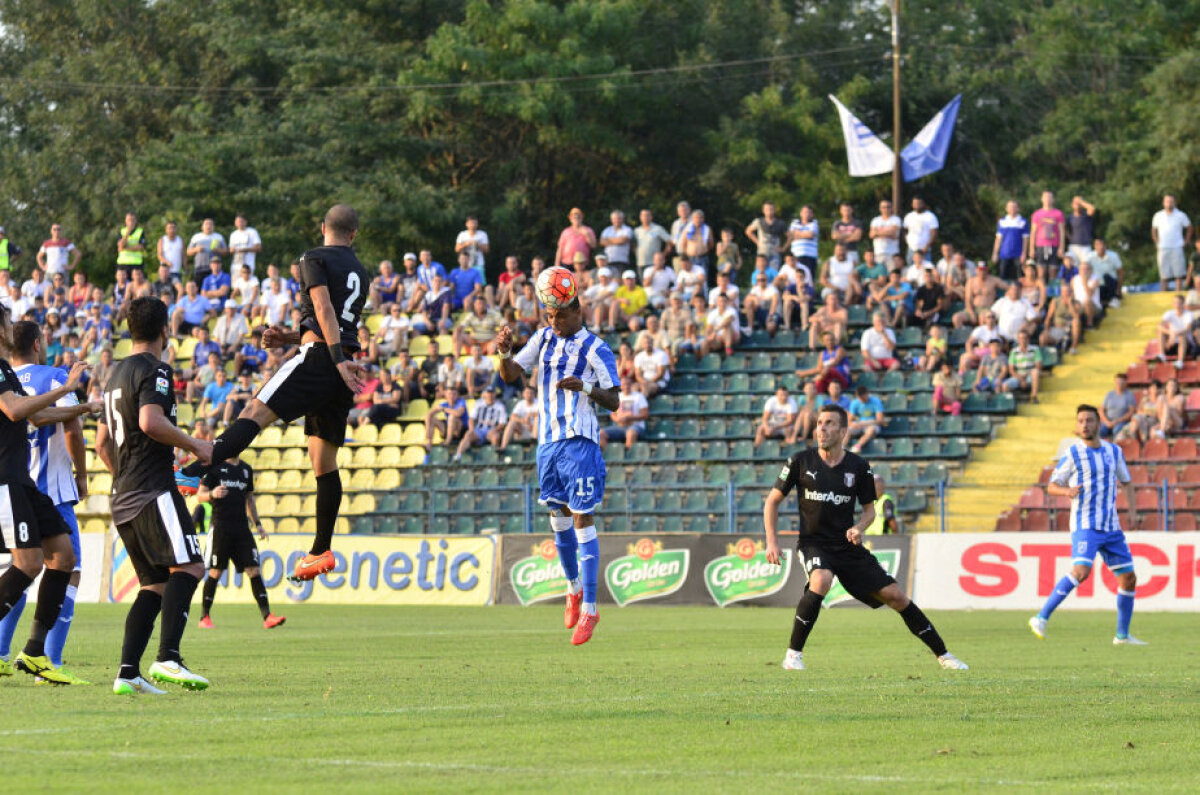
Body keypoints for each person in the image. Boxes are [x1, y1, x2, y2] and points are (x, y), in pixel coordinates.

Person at [180, 204, 367, 584]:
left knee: (255, 410)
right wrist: (290, 337)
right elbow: (337, 322)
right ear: (354, 235)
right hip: (342, 364)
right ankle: (320, 551)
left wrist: (328, 356)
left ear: (322, 227)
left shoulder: (312, 257)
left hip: (321, 359)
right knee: (323, 461)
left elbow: (323, 307)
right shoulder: (361, 272)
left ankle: (196, 468)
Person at [764, 405, 968, 671]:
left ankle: (944, 655)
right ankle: (793, 655)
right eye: (819, 423)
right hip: (814, 543)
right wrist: (771, 541)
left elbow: (870, 511)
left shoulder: (858, 467)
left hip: (847, 546)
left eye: (828, 423)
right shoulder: (800, 461)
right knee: (821, 579)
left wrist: (859, 527)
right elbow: (772, 502)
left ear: (844, 431)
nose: (821, 429)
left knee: (895, 596)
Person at [94, 297, 213, 694]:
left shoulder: (114, 374)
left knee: (154, 585)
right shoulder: (155, 369)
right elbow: (149, 421)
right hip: (151, 489)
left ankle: (128, 672)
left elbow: (102, 444)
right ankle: (168, 657)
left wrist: (125, 476)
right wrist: (194, 444)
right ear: (166, 330)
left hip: (123, 496)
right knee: (192, 566)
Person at [496, 294, 620, 646]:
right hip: (547, 443)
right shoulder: (543, 338)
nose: (554, 322)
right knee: (558, 517)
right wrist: (504, 352)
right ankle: (574, 588)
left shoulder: (596, 347)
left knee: (582, 517)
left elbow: (614, 400)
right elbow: (510, 375)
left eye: (559, 316)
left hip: (579, 440)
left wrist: (586, 386)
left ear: (577, 311)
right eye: (549, 316)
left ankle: (592, 608)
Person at [0, 321, 96, 684]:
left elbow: (35, 415)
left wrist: (81, 405)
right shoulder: (18, 372)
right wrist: (68, 389)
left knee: (63, 557)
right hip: (15, 481)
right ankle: (41, 656)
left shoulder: (9, 371)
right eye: (5, 322)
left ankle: (35, 653)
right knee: (28, 566)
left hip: (25, 482)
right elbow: (15, 412)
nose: (10, 328)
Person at [1029, 405, 1144, 645]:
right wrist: (1066, 490)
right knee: (1081, 572)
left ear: (1098, 423)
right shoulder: (1073, 454)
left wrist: (1132, 512)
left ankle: (1122, 635)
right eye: (1080, 420)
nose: (1084, 425)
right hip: (1086, 525)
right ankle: (1041, 617)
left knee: (1129, 578)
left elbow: (1127, 482)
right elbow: (1051, 485)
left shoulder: (1114, 452)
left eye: (1089, 420)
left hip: (1111, 527)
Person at [196, 455, 284, 630]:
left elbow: (249, 499)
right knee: (216, 571)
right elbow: (200, 495)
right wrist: (212, 493)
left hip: (242, 528)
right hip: (221, 527)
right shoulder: (215, 468)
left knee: (254, 569)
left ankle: (267, 616)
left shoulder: (246, 470)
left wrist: (258, 524)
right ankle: (204, 617)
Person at [454, 386, 507, 462]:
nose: (490, 395)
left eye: (492, 393)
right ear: (485, 394)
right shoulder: (478, 404)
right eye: (488, 393)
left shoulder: (500, 406)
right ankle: (458, 455)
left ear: (495, 394)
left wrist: (495, 429)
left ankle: (495, 458)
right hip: (479, 430)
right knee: (468, 435)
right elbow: (471, 419)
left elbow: (502, 423)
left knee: (496, 436)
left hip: (492, 429)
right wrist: (471, 429)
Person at [1151, 194, 1192, 292]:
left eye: (1171, 201)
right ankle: (1163, 294)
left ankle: (1179, 294)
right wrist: (1156, 242)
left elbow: (1189, 228)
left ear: (1175, 202)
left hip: (1177, 247)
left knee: (1178, 274)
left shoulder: (1181, 215)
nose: (1169, 203)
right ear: (1163, 203)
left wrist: (1186, 241)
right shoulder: (1158, 215)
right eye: (1167, 201)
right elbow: (1154, 230)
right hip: (1163, 247)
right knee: (1163, 274)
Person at [1030, 191, 1065, 283]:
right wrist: (1031, 249)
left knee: (1052, 272)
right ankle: (1042, 294)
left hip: (1053, 246)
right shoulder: (1037, 214)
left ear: (1053, 200)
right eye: (1045, 197)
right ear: (1042, 199)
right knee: (1041, 273)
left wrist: (1061, 247)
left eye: (1050, 197)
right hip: (1041, 246)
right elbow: (1033, 232)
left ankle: (1052, 295)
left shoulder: (1058, 214)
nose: (1047, 199)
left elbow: (1062, 232)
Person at [991, 200, 1030, 281]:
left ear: (1018, 209)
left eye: (1014, 207)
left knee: (1020, 277)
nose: (1012, 209)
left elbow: (1026, 239)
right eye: (1010, 207)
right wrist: (995, 253)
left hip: (1018, 254)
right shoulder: (1002, 222)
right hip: (1004, 254)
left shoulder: (1023, 221)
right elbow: (998, 239)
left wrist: (1024, 253)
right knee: (1003, 276)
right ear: (1006, 208)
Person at [1003, 330, 1043, 402]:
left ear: (1028, 339)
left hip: (1030, 375)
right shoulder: (1014, 351)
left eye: (1024, 338)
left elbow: (1038, 366)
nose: (1023, 340)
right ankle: (1013, 403)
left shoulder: (1035, 349)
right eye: (1021, 338)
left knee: (1035, 372)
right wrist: (1021, 379)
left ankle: (1034, 397)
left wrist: (1026, 375)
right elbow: (1011, 370)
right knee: (1005, 386)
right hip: (1018, 376)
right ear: (1018, 340)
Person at [1157, 293, 1194, 370]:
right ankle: (1162, 354)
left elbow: (1187, 329)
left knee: (1182, 336)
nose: (1177, 305)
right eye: (1175, 302)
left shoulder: (1189, 314)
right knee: (1161, 332)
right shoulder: (1169, 313)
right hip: (1172, 343)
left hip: (1186, 345)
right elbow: (1159, 325)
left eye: (1179, 303)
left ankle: (1180, 361)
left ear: (1183, 304)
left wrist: (1174, 335)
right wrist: (1171, 333)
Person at [745, 202, 787, 270]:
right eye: (767, 209)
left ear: (774, 210)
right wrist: (757, 242)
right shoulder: (759, 221)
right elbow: (748, 231)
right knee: (759, 273)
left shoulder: (780, 223)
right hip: (762, 252)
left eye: (771, 209)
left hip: (775, 252)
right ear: (763, 210)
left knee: (773, 274)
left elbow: (790, 236)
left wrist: (784, 248)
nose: (769, 211)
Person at [902, 196, 939, 264]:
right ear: (912, 204)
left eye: (919, 203)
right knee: (911, 269)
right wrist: (908, 242)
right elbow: (904, 231)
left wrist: (927, 246)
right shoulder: (908, 216)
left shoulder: (930, 216)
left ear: (923, 204)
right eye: (915, 203)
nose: (917, 205)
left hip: (925, 250)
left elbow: (934, 233)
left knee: (926, 269)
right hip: (911, 249)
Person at [1099, 373, 1137, 439]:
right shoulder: (1109, 394)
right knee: (1100, 431)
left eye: (1122, 382)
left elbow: (1131, 412)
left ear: (1125, 383)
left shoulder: (1129, 395)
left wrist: (1117, 421)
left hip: (1121, 422)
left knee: (1116, 430)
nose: (1119, 384)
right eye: (1117, 382)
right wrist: (1106, 421)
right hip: (1108, 421)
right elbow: (1101, 409)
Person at [1065, 195, 1096, 267]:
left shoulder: (1086, 215)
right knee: (1073, 268)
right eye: (1076, 203)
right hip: (1073, 246)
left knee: (1086, 267)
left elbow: (1092, 209)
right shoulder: (1070, 217)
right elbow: (1065, 228)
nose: (1078, 205)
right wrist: (1068, 236)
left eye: (1079, 204)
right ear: (1072, 205)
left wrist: (1081, 202)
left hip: (1085, 247)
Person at [868, 200, 901, 265]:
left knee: (892, 274)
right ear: (880, 209)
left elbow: (893, 233)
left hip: (893, 252)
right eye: (883, 207)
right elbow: (871, 235)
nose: (886, 209)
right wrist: (888, 232)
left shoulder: (896, 219)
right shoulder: (875, 220)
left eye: (888, 207)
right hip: (878, 252)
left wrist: (877, 232)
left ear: (891, 208)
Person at [115, 212, 147, 277]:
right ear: (125, 221)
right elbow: (121, 245)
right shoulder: (122, 231)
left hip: (136, 263)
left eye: (133, 220)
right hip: (122, 263)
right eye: (129, 220)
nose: (131, 222)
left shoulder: (140, 231)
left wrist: (126, 248)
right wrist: (128, 232)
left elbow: (141, 247)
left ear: (135, 221)